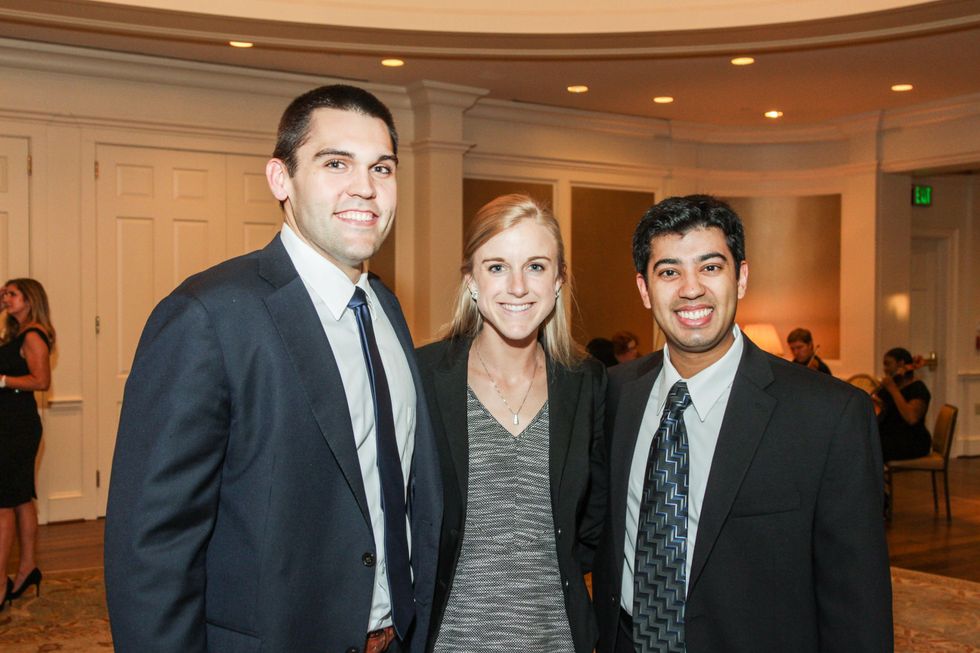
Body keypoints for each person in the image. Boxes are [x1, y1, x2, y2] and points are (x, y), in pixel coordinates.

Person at [104, 85, 442, 653]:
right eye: (335, 163)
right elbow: (152, 548)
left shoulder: (384, 306)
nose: (365, 187)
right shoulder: (208, 316)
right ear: (280, 179)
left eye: (381, 168)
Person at [593, 195, 892, 653]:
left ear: (742, 276)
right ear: (644, 288)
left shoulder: (829, 415)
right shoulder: (611, 394)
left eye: (710, 267)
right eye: (669, 271)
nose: (691, 289)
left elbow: (858, 598)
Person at [417, 194, 607, 653]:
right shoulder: (421, 377)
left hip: (558, 642)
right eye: (497, 266)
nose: (518, 287)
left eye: (537, 267)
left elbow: (594, 522)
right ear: (471, 280)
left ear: (559, 281)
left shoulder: (586, 382)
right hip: (449, 642)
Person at [1, 278, 55, 609]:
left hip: (16, 429)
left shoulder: (33, 335)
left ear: (29, 299)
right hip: (9, 425)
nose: (5, 298)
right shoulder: (16, 334)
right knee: (21, 499)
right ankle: (27, 568)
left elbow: (42, 380)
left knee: (5, 502)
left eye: (11, 294)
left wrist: (3, 380)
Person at [875, 347, 931, 462]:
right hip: (891, 436)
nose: (885, 369)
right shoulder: (889, 387)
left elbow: (911, 418)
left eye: (888, 364)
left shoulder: (918, 388)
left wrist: (893, 389)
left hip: (912, 441)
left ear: (901, 364)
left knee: (871, 447)